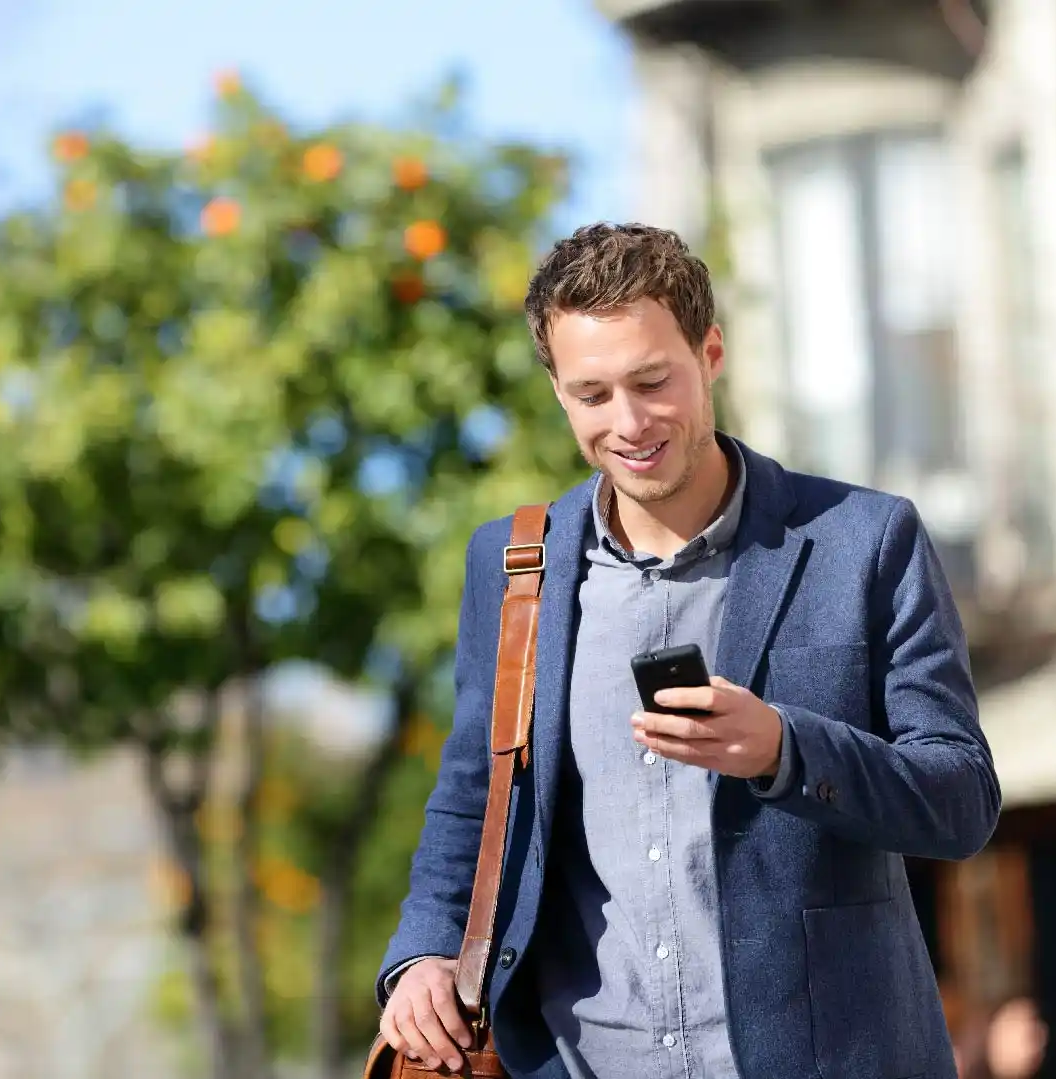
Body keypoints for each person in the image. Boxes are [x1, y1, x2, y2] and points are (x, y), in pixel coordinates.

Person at [375, 223, 1001, 1079]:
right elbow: (476, 794)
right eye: (592, 395)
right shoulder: (515, 565)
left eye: (651, 381)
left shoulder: (865, 539)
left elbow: (961, 798)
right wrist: (421, 954)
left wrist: (784, 748)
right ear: (558, 391)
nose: (628, 422)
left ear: (710, 353)